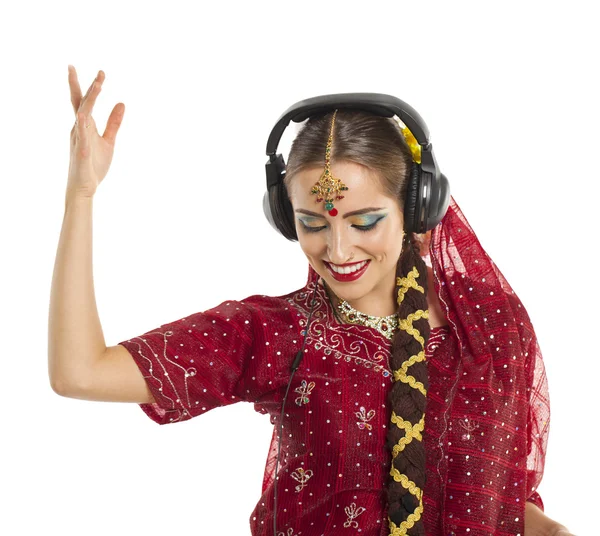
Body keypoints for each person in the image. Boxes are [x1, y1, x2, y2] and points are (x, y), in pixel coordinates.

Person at [49, 66, 573, 536]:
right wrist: (81, 196)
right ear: (284, 217)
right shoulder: (277, 333)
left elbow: (496, 499)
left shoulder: (487, 330)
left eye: (365, 221)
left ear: (417, 206)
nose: (338, 249)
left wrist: (548, 530)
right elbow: (80, 373)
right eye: (312, 223)